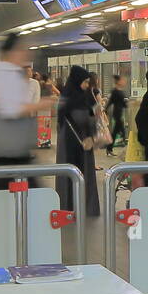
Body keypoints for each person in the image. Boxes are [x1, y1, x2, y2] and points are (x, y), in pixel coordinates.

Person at [0, 33, 54, 190]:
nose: (26, 54)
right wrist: (40, 104)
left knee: (9, 189)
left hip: (3, 145)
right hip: (11, 145)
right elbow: (11, 110)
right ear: (12, 51)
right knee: (28, 190)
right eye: (22, 49)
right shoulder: (9, 74)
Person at [56, 65, 100, 218]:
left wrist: (92, 134)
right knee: (71, 174)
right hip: (71, 142)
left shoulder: (83, 97)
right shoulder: (68, 97)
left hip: (83, 142)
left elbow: (91, 117)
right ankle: (70, 207)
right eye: (85, 82)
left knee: (83, 175)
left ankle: (83, 207)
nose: (87, 85)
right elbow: (69, 120)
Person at [105, 73, 129, 156]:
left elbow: (122, 103)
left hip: (119, 112)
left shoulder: (120, 90)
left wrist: (126, 103)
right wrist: (105, 110)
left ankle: (109, 148)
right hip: (117, 113)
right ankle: (125, 149)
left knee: (116, 132)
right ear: (118, 81)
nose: (124, 82)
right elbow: (110, 101)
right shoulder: (115, 91)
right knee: (122, 131)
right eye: (122, 80)